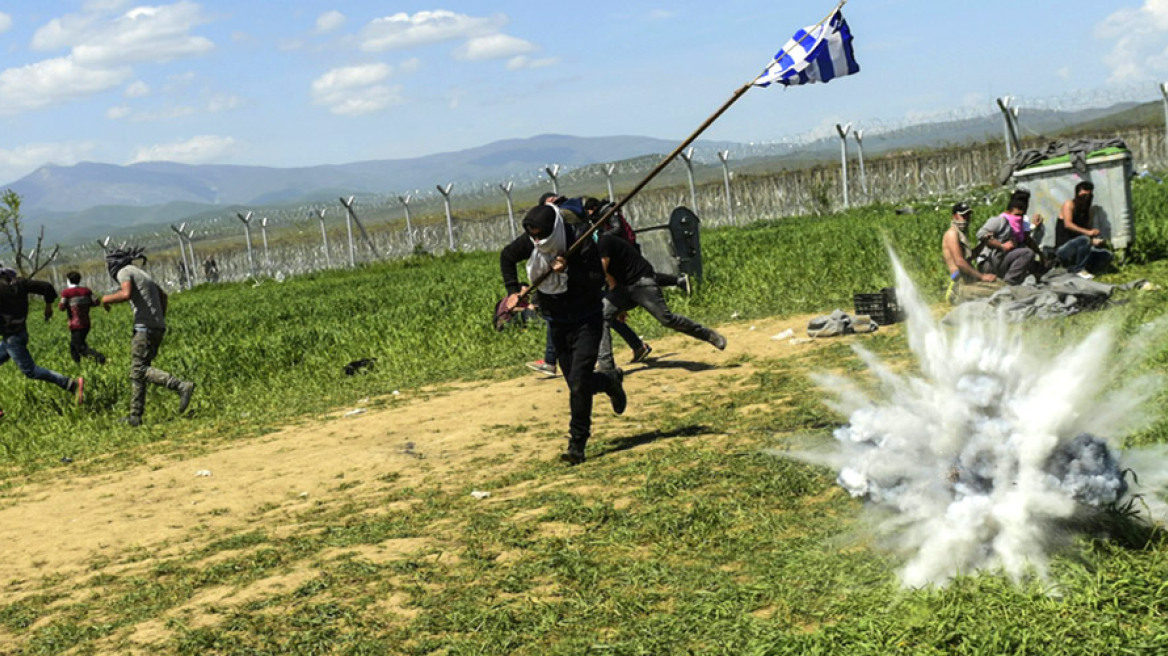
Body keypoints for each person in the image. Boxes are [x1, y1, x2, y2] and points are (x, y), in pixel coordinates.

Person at [501, 203, 627, 465]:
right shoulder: (532, 242)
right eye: (533, 236)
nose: (537, 242)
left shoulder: (579, 239)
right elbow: (507, 256)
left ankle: (577, 445)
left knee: (579, 383)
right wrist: (513, 290)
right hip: (557, 321)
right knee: (576, 383)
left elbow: (596, 278)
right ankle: (609, 382)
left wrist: (569, 270)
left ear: (553, 228)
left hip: (587, 320)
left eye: (541, 236)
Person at [596, 232, 726, 373]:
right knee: (602, 316)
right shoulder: (594, 248)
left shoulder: (604, 241)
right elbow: (610, 277)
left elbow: (602, 270)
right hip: (623, 288)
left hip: (641, 282)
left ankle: (708, 334)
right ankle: (606, 365)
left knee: (667, 319)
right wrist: (617, 304)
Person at [101, 246, 195, 426]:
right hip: (156, 327)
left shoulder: (124, 272)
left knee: (139, 370)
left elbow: (126, 293)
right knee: (139, 372)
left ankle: (180, 385)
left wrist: (105, 299)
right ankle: (135, 416)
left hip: (144, 328)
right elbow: (163, 296)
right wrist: (158, 319)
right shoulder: (140, 273)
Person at [0, 266, 83, 404]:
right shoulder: (20, 283)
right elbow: (47, 287)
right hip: (20, 333)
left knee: (31, 371)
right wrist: (48, 307)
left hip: (12, 338)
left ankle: (71, 384)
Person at [975, 189, 1044, 285]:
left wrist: (1041, 255)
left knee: (1033, 263)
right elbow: (981, 234)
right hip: (989, 262)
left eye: (1021, 215)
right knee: (1027, 253)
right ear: (1009, 211)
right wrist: (1001, 245)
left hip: (1002, 261)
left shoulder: (1018, 225)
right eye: (1017, 215)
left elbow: (1026, 239)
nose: (1018, 218)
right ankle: (1008, 283)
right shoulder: (999, 221)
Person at [942, 202, 1002, 304]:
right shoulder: (952, 234)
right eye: (963, 216)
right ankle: (954, 295)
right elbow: (960, 262)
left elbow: (970, 257)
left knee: (1002, 285)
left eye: (968, 216)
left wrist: (983, 243)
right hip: (961, 283)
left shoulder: (960, 234)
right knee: (998, 294)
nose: (966, 219)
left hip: (970, 279)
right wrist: (982, 276)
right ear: (955, 216)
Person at [1054, 181, 1113, 279]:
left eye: (1089, 196)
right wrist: (1088, 233)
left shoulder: (1088, 211)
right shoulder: (1069, 204)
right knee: (1084, 239)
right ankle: (1078, 269)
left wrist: (1094, 240)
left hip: (1080, 249)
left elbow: (1087, 231)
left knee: (1107, 255)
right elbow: (1068, 225)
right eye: (1083, 195)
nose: (1086, 198)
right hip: (1064, 248)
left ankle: (1082, 267)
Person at [58, 271, 107, 364]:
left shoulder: (66, 292)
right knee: (73, 346)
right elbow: (96, 302)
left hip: (75, 324)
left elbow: (61, 307)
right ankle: (78, 364)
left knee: (79, 347)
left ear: (68, 280)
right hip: (86, 323)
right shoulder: (86, 291)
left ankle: (99, 357)